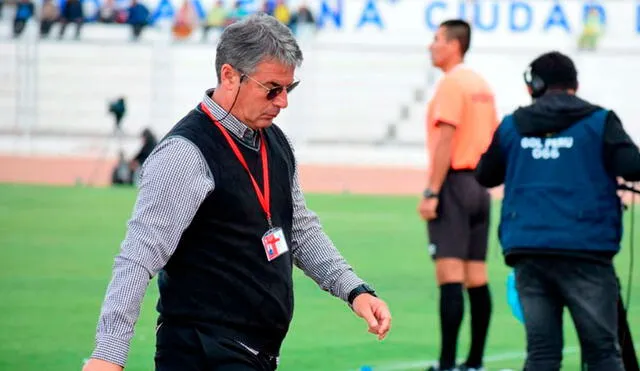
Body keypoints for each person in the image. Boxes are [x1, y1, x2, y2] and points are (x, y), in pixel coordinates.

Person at [83, 13, 391, 371]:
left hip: (253, 355)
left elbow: (301, 231)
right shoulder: (185, 153)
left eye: (289, 89)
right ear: (229, 75)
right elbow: (137, 257)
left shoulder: (276, 143)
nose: (283, 102)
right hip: (202, 352)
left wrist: (355, 291)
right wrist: (108, 353)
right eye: (272, 88)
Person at [475, 50, 640, 371]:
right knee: (603, 352)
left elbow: (485, 174)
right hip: (586, 250)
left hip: (528, 251)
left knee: (542, 354)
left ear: (534, 85)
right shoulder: (599, 120)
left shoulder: (512, 125)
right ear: (574, 84)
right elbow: (633, 167)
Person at [417, 19, 498, 371]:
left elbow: (446, 139)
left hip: (454, 183)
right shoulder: (481, 84)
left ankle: (447, 363)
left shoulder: (452, 84)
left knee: (450, 276)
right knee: (477, 277)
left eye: (436, 40)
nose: (431, 46)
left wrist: (432, 191)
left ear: (453, 45)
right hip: (481, 187)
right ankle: (475, 361)